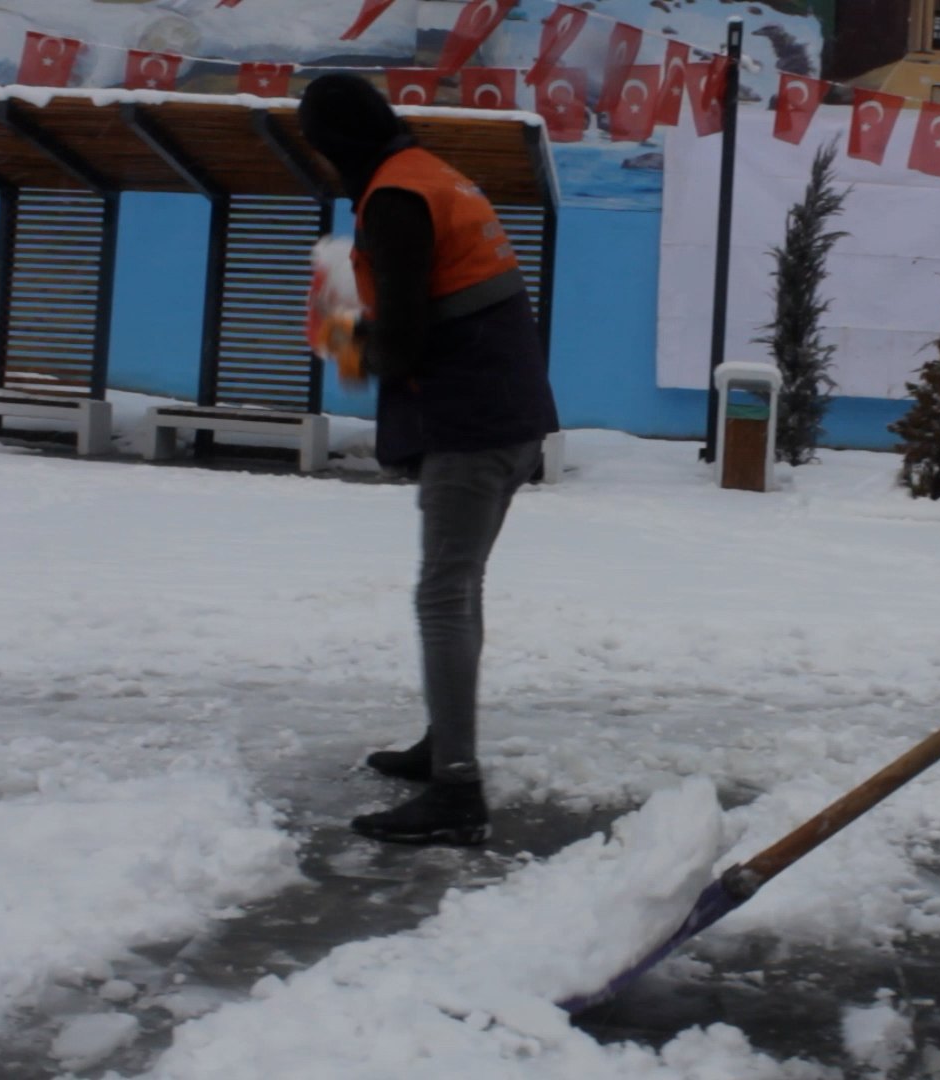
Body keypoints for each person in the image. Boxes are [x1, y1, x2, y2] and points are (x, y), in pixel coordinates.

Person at [298, 73, 559, 847]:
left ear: (336, 144)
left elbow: (404, 342)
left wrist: (337, 335)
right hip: (504, 409)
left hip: (474, 421)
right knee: (458, 584)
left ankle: (456, 792)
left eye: (317, 148)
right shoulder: (427, 173)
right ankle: (445, 743)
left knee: (442, 593)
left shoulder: (396, 200)